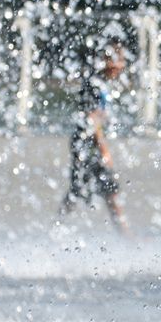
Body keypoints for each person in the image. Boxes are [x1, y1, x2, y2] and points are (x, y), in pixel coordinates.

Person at [60, 39, 130, 235]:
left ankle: (124, 233)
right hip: (86, 143)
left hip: (86, 141)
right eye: (118, 60)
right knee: (82, 189)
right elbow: (92, 120)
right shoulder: (95, 84)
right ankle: (58, 228)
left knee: (104, 188)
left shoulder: (101, 83)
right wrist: (104, 149)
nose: (121, 65)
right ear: (107, 61)